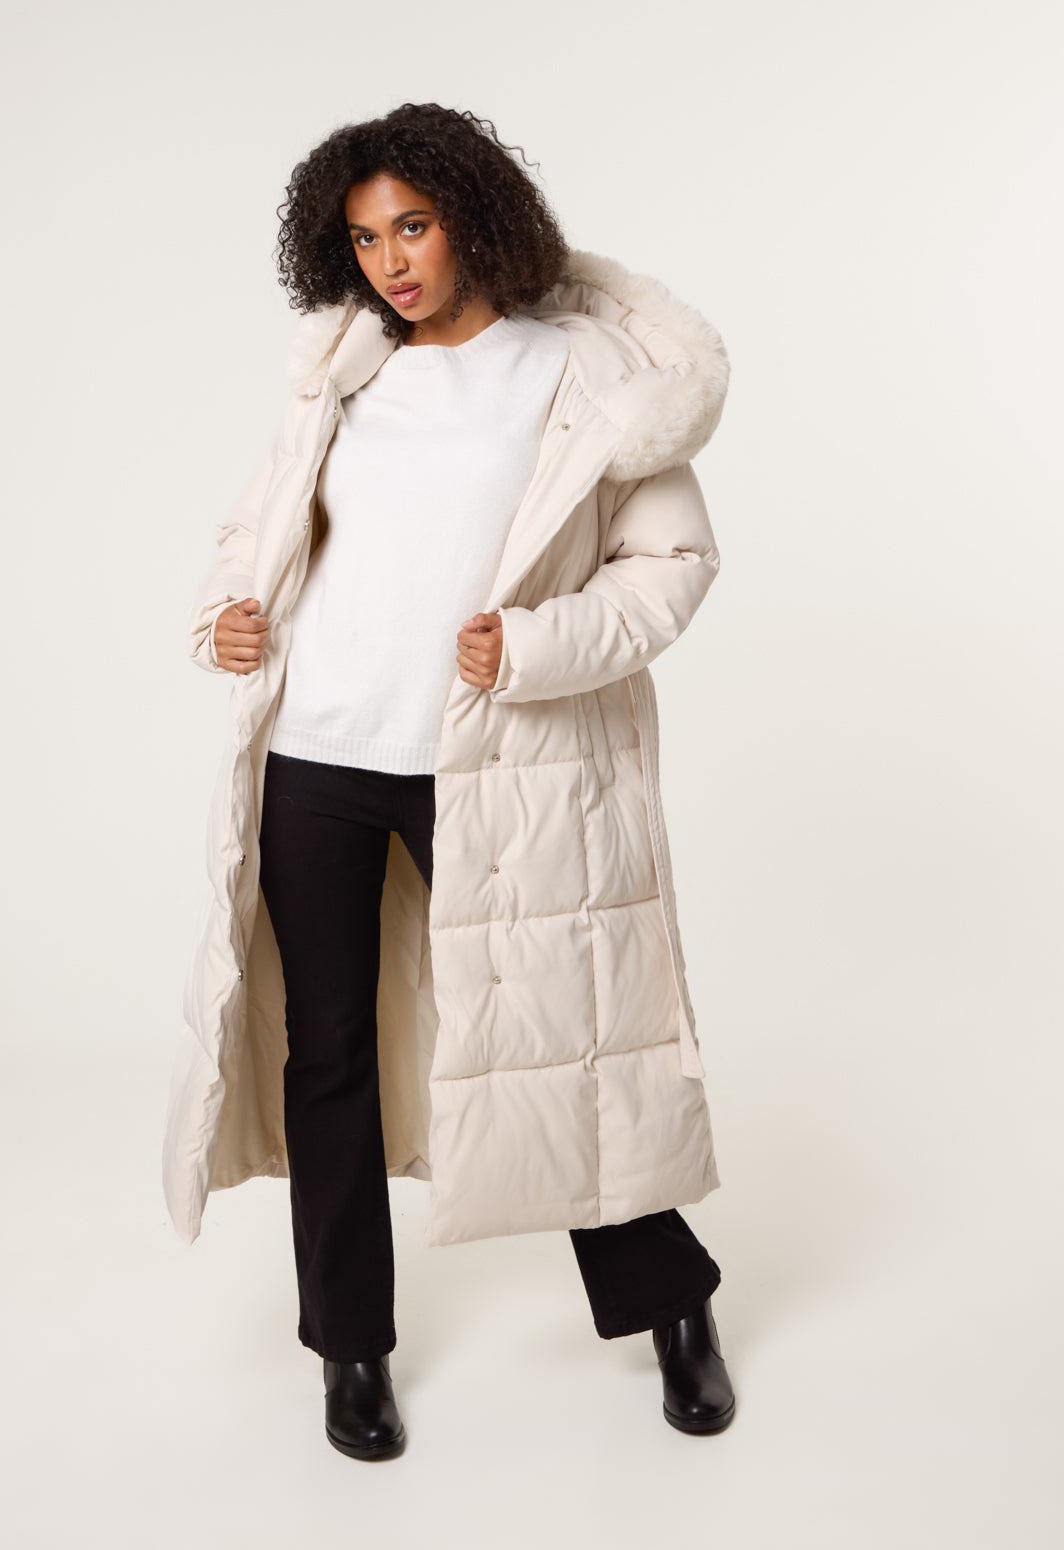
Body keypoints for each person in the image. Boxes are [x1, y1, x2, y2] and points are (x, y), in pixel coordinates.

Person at [164, 101, 736, 1460]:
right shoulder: (345, 372)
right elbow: (257, 532)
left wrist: (532, 647)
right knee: (326, 1053)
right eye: (365, 239)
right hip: (318, 751)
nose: (391, 262)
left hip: (493, 760)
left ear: (472, 216)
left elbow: (671, 567)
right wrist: (229, 614)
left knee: (562, 1035)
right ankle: (348, 1347)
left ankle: (672, 1305)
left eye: (411, 227)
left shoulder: (582, 371)